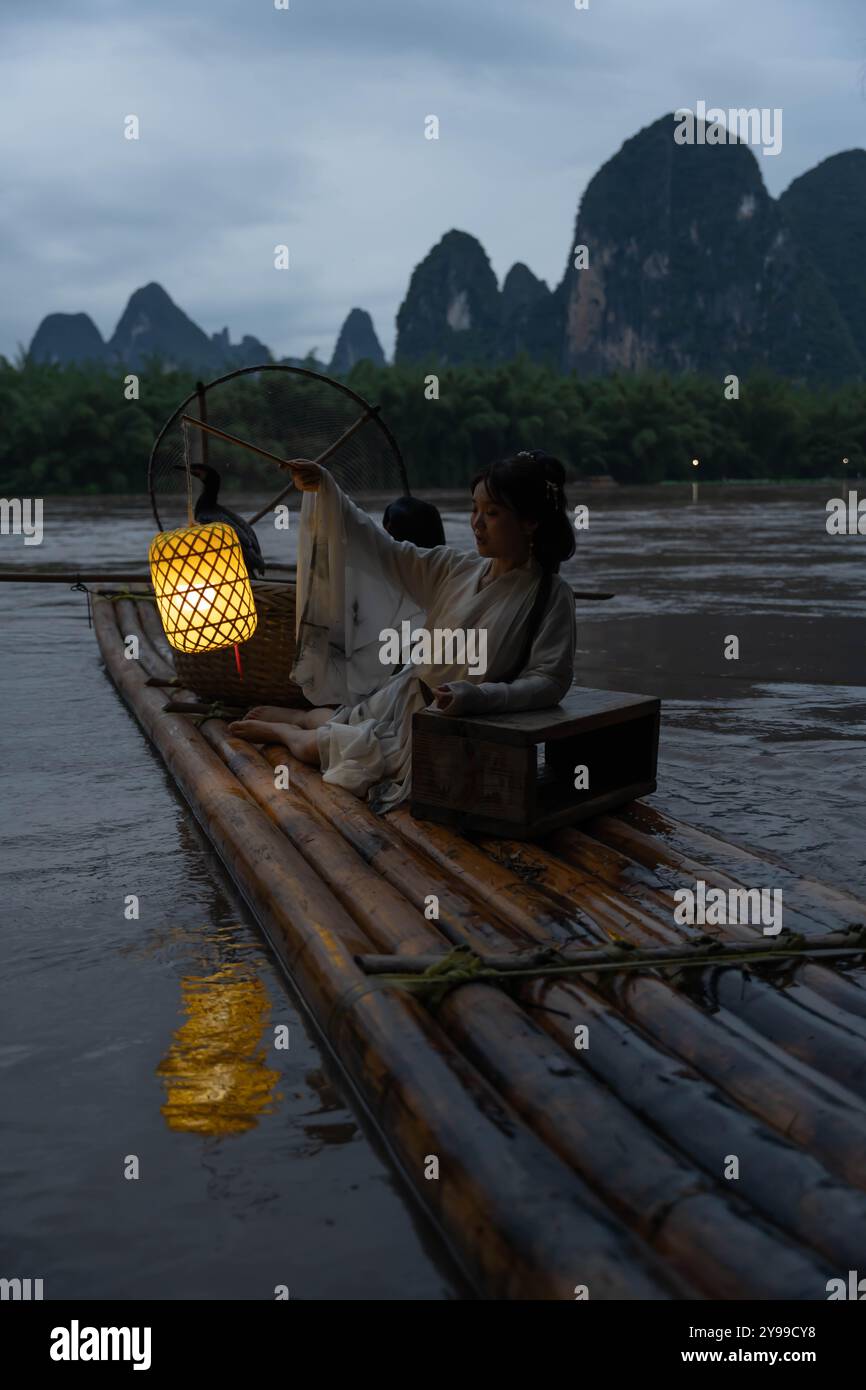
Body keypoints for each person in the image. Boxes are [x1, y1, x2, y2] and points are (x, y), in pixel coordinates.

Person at [229, 449, 577, 815]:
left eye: (492, 513)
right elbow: (385, 551)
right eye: (474, 510)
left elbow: (550, 680)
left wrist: (482, 696)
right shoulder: (455, 568)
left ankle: (287, 731)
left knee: (324, 749)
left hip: (446, 725)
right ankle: (300, 717)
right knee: (342, 721)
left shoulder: (550, 596)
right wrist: (329, 491)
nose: (477, 523)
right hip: (406, 694)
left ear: (530, 522)